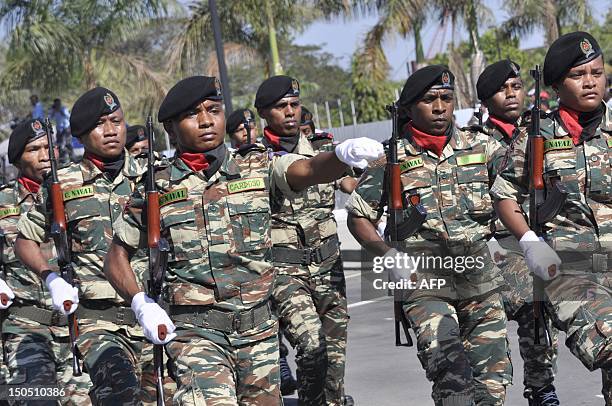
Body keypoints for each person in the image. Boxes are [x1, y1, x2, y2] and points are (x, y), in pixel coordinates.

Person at [102, 75, 383, 405]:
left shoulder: (256, 165)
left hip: (259, 332)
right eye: (193, 114)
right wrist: (140, 303)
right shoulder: (156, 188)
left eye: (214, 110)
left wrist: (339, 156)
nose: (207, 121)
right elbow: (116, 256)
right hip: (197, 335)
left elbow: (306, 170)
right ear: (170, 128)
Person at [346, 65, 512, 405]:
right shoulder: (390, 159)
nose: (440, 108)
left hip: (479, 280)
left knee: (492, 388)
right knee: (452, 381)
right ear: (408, 109)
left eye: (447, 99)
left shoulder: (483, 148)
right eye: (429, 100)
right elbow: (358, 216)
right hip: (425, 283)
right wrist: (387, 254)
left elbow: (517, 190)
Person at [15, 88, 161, 404]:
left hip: (153, 313)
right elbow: (26, 238)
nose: (111, 130)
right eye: (99, 124)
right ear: (80, 134)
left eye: (116, 120)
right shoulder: (62, 183)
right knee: (121, 394)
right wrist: (49, 277)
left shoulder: (154, 176)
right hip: (98, 321)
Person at [491, 31, 612, 405]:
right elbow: (504, 194)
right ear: (558, 85)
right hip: (567, 268)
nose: (591, 81)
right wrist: (528, 242)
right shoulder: (537, 134)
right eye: (579, 75)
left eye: (597, 71)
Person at [256, 76, 353, 406]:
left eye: (294, 105)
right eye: (280, 107)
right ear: (264, 114)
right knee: (312, 346)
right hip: (286, 273)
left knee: (334, 365)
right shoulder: (252, 160)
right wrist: (340, 159)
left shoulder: (325, 149)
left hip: (329, 268)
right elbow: (307, 171)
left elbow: (354, 185)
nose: (289, 112)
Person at [475, 59, 560, 405]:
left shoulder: (541, 132)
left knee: (541, 307)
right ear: (485, 101)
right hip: (492, 242)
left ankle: (541, 386)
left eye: (516, 86)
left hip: (536, 236)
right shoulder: (474, 143)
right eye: (501, 89)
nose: (511, 94)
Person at [0, 119, 92, 405]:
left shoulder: (75, 194)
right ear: (17, 159)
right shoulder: (3, 202)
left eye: (49, 147)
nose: (45, 155)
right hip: (26, 329)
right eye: (34, 149)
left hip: (77, 328)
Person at [48, 98, 73, 162]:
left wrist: (61, 111)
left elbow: (69, 116)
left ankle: (71, 157)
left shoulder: (63, 108)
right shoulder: (54, 110)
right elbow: (50, 118)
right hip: (59, 129)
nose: (57, 105)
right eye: (56, 104)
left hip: (66, 128)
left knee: (67, 143)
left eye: (58, 103)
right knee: (59, 144)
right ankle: (62, 159)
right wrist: (53, 111)